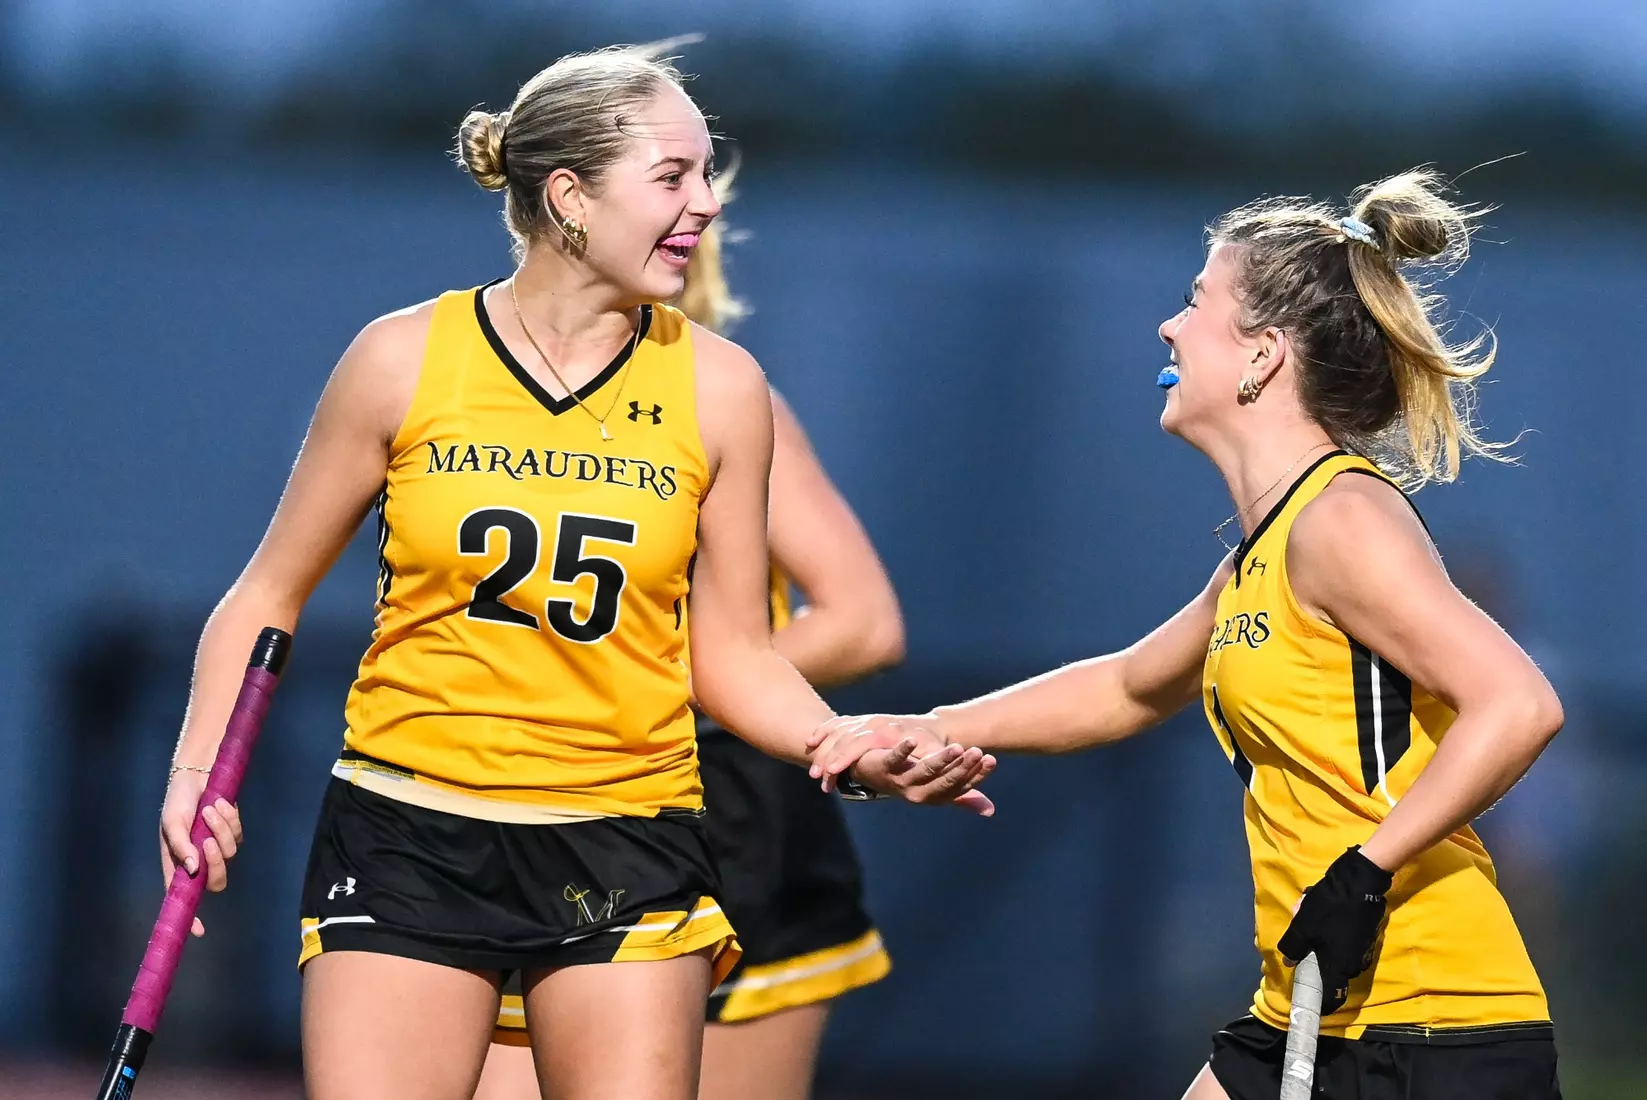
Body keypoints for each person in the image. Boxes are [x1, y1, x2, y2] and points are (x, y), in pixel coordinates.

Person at [156, 45, 994, 1100]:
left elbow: (730, 653)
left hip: (626, 836)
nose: (704, 205)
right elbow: (263, 595)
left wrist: (840, 743)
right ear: (569, 197)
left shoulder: (723, 387)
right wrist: (193, 773)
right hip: (410, 826)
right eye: (672, 176)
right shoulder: (401, 358)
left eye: (706, 174)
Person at [811, 170, 1566, 1100]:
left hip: (1429, 1025)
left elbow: (1519, 703)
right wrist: (926, 726)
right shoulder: (1265, 550)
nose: (1168, 327)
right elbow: (1125, 687)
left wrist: (1365, 872)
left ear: (1264, 356)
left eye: (1194, 301)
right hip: (1306, 1008)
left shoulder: (1341, 522)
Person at [474, 176, 903, 1100]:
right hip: (538, 799)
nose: (688, 220)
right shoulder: (481, 395)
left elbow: (862, 619)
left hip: (727, 812)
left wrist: (672, 680)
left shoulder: (728, 401)